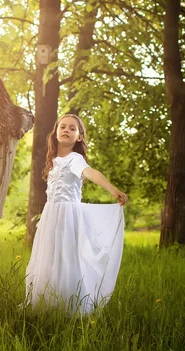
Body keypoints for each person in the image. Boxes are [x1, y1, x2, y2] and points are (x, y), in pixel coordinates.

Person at [25, 114, 128, 315]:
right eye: (63, 126)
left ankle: (67, 305)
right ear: (55, 132)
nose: (66, 130)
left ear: (79, 137)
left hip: (66, 217)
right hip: (51, 216)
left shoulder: (75, 159)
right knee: (49, 257)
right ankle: (47, 303)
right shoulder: (54, 161)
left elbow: (90, 172)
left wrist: (111, 189)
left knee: (66, 258)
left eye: (72, 128)